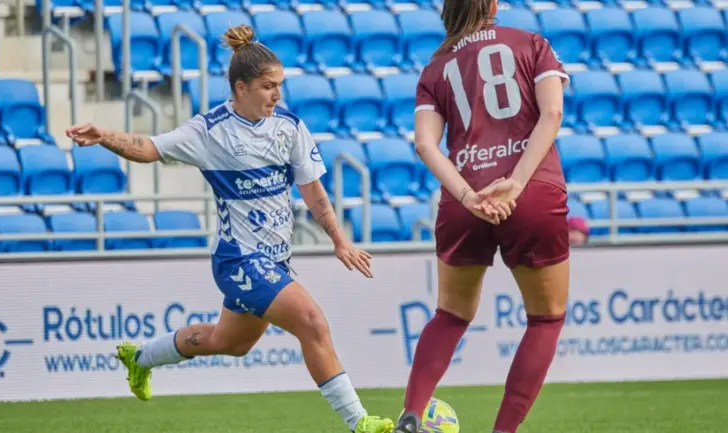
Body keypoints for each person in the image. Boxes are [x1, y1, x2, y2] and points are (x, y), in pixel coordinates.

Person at [66, 24, 394, 433]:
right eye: (267, 86)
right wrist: (106, 136)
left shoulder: (289, 127)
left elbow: (314, 193)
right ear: (241, 87)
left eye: (280, 86)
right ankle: (360, 423)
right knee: (312, 322)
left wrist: (340, 240)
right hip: (239, 258)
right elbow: (149, 147)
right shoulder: (209, 131)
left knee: (230, 343)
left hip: (275, 259)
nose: (276, 94)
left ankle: (140, 358)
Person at [393, 0, 570, 432]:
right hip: (532, 191)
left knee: (451, 314)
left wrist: (469, 196)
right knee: (545, 318)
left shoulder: (435, 68)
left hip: (464, 198)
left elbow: (424, 144)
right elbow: (553, 113)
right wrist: (516, 181)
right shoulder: (531, 43)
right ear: (491, 4)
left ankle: (412, 414)